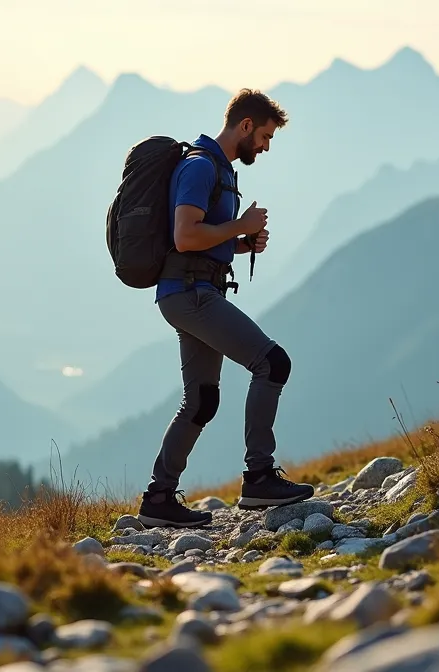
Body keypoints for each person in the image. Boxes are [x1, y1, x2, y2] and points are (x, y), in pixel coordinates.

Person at [136, 88, 315, 529]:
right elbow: (184, 237)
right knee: (272, 363)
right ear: (246, 126)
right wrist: (241, 225)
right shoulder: (200, 167)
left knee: (201, 400)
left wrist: (239, 242)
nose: (266, 147)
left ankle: (159, 498)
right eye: (266, 137)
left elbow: (203, 242)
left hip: (191, 291)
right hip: (191, 294)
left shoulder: (216, 169)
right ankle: (258, 477)